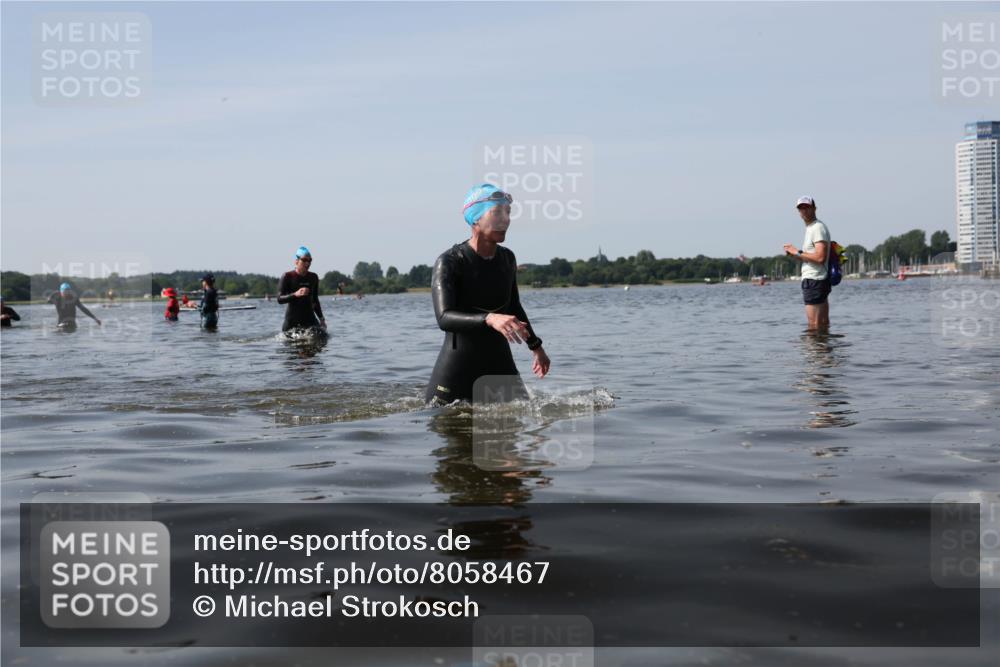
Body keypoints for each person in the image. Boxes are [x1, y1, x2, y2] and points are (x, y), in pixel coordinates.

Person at [425, 183, 551, 404]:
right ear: (475, 219)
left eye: (508, 213)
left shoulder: (507, 259)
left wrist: (536, 347)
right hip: (458, 366)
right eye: (496, 213)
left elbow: (513, 306)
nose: (505, 220)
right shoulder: (450, 261)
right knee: (450, 427)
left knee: (522, 422)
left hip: (499, 359)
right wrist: (490, 318)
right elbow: (444, 318)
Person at [784, 196, 831, 331]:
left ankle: (814, 351)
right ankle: (822, 350)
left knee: (814, 325)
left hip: (815, 280)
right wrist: (795, 254)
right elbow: (812, 257)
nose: (803, 211)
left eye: (806, 207)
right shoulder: (812, 228)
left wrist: (797, 252)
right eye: (800, 208)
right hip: (817, 280)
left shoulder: (817, 228)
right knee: (821, 324)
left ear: (814, 209)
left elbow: (820, 257)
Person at [277, 246, 327, 334]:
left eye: (310, 260)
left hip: (310, 319)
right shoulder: (287, 276)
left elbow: (315, 300)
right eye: (304, 260)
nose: (307, 263)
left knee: (322, 339)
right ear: (296, 261)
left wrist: (321, 319)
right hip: (292, 321)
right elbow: (279, 299)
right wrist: (295, 294)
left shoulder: (313, 277)